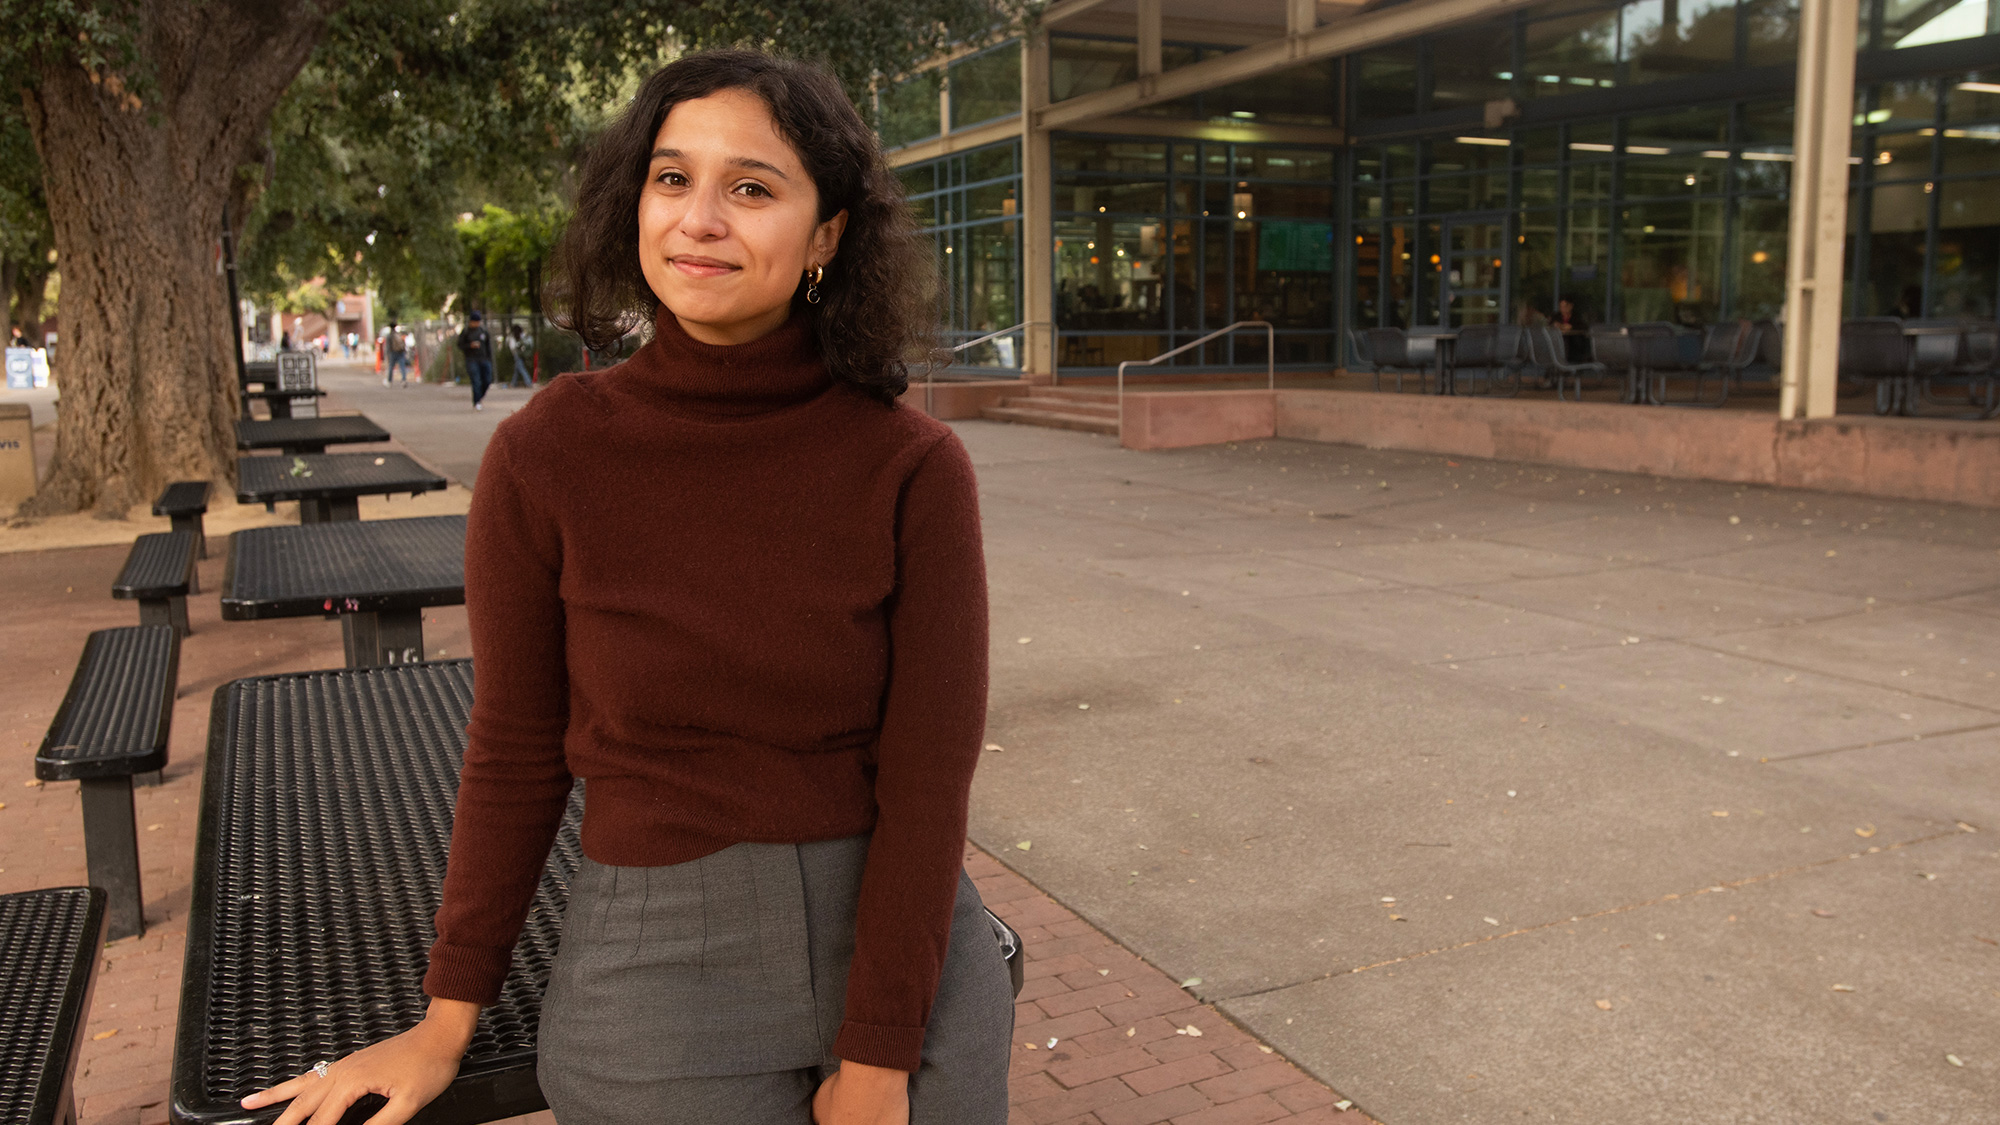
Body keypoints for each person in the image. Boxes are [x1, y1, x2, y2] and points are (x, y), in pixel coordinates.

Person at [243, 49, 1008, 1125]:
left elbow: (929, 775)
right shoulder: (547, 454)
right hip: (658, 955)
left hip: (894, 944)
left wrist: (880, 1059)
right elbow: (513, 748)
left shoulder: (912, 467)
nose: (699, 219)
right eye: (669, 178)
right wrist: (445, 1018)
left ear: (827, 234)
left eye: (751, 187)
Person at [458, 311, 495, 410]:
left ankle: (479, 396)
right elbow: (460, 345)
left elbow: (488, 347)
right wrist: (470, 346)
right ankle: (476, 401)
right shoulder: (466, 332)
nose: (477, 324)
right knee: (476, 380)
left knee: (487, 380)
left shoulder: (483, 331)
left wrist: (489, 359)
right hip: (471, 359)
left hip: (484, 359)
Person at [506, 322, 533, 387]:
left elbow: (512, 347)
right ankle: (513, 383)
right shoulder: (523, 336)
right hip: (523, 354)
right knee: (517, 369)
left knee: (521, 368)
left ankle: (528, 382)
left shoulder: (513, 337)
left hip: (517, 354)